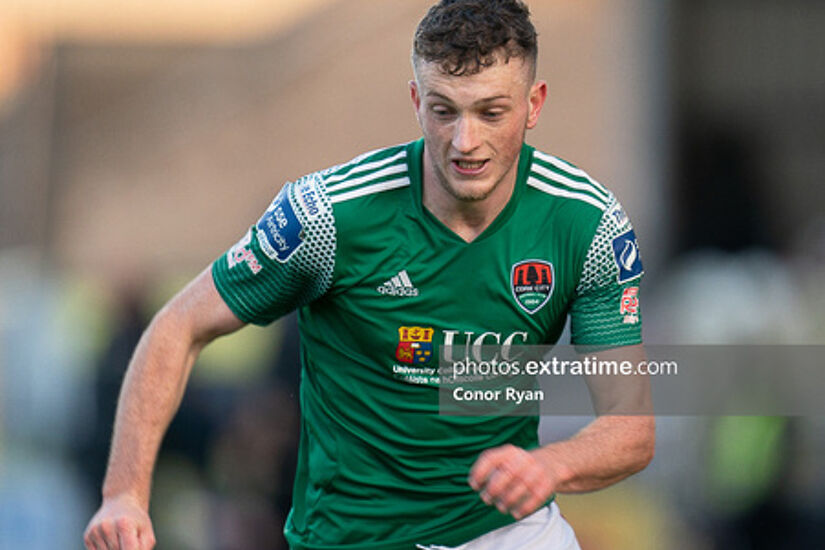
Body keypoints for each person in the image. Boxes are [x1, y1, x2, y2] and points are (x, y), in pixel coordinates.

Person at [83, 1, 654, 548]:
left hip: (507, 531)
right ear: (415, 100)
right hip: (352, 537)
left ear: (534, 104)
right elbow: (179, 325)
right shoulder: (326, 217)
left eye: (491, 112)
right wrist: (123, 495)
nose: (465, 142)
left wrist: (549, 465)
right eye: (444, 109)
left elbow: (630, 428)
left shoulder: (587, 224)